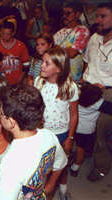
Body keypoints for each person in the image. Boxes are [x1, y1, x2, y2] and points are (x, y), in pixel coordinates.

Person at [0, 85, 68, 200]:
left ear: (11, 122)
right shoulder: (49, 135)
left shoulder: (11, 164)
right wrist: (49, 186)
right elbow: (61, 163)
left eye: (1, 113)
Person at [34, 47, 79, 200]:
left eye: (47, 63)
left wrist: (70, 138)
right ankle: (44, 191)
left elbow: (74, 115)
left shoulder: (70, 87)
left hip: (61, 134)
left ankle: (63, 188)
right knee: (44, 166)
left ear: (59, 68)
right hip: (42, 133)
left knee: (61, 165)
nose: (42, 65)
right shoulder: (38, 81)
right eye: (42, 62)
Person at [82, 2, 112, 182]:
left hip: (108, 92)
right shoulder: (94, 38)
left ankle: (101, 166)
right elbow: (87, 61)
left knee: (101, 129)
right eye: (97, 16)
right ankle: (83, 151)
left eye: (103, 16)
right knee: (81, 123)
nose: (97, 20)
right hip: (87, 87)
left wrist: (102, 86)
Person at [70, 82, 112, 177]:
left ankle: (70, 160)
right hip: (87, 131)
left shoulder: (77, 98)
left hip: (74, 127)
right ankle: (75, 167)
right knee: (81, 149)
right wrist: (102, 89)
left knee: (76, 144)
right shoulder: (97, 103)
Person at [53, 3, 90, 82]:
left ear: (78, 14)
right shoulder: (59, 32)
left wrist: (56, 49)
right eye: (64, 13)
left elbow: (72, 53)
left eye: (68, 13)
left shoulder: (83, 31)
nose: (64, 16)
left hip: (73, 77)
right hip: (58, 74)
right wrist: (64, 49)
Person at [0, 21, 29, 85]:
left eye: (8, 34)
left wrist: (21, 78)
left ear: (13, 33)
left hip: (17, 81)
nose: (5, 36)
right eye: (3, 33)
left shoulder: (21, 45)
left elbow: (26, 65)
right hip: (1, 81)